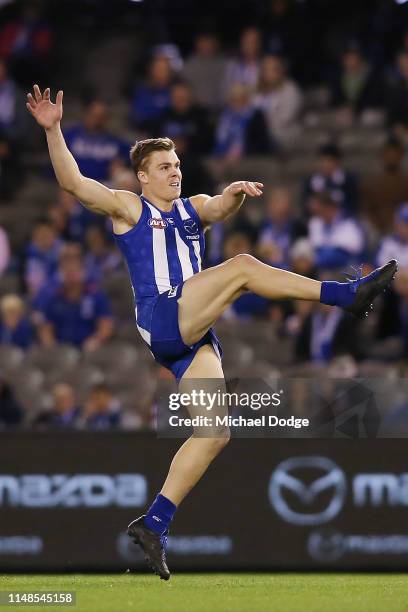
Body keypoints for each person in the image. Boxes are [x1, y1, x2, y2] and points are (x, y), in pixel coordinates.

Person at [26, 84, 398, 581]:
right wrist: (53, 129)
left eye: (176, 163)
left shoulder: (190, 208)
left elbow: (219, 207)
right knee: (242, 265)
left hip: (193, 336)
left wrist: (236, 195)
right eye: (163, 167)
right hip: (163, 317)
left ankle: (154, 523)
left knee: (215, 432)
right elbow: (73, 183)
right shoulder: (129, 208)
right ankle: (345, 296)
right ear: (142, 177)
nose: (174, 171)